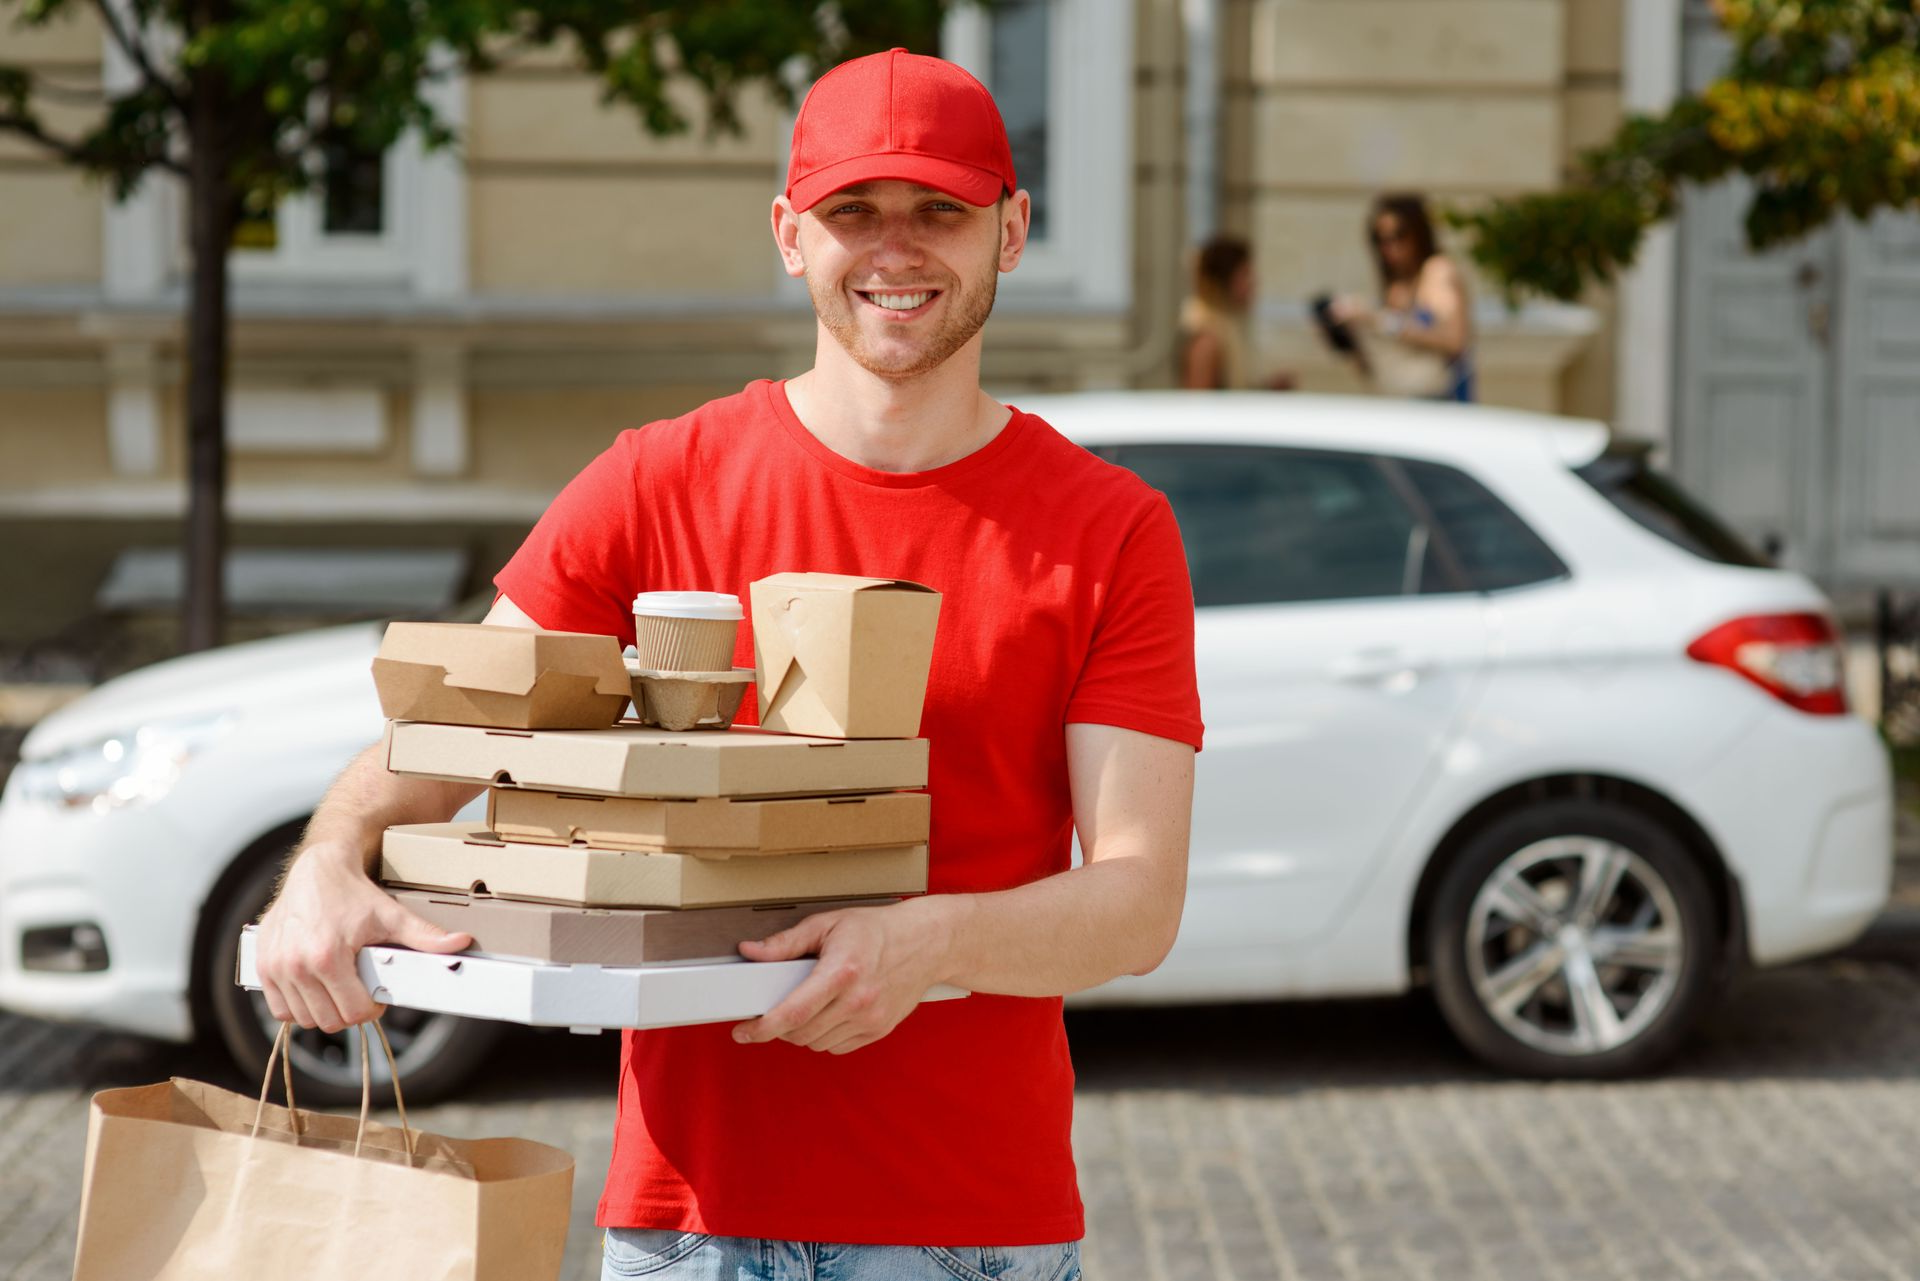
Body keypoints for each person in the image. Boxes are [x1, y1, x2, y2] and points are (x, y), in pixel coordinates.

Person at [252, 48, 1202, 1281]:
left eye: (942, 212)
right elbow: (441, 746)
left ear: (1012, 230)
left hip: (975, 1226)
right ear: (788, 234)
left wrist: (926, 943)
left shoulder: (1110, 529)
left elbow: (1136, 903)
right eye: (853, 212)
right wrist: (324, 863)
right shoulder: (658, 481)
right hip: (687, 1226)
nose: (896, 250)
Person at [1328, 193, 1475, 402]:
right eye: (1380, 239)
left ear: (1419, 233)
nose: (1390, 248)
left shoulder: (1437, 272)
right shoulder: (1396, 284)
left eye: (1399, 235)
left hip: (1443, 405)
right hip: (1402, 402)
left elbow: (1454, 340)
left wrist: (1380, 320)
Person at [1178, 234, 1255, 389]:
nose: (1253, 283)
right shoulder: (1207, 340)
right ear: (1223, 281)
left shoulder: (1224, 327)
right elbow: (1198, 406)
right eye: (1245, 275)